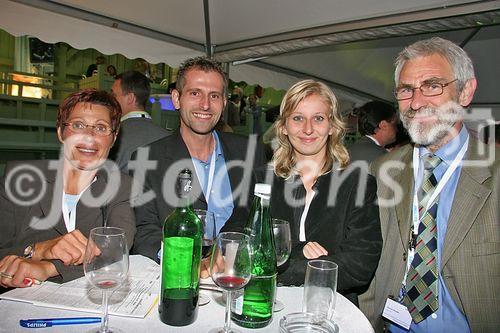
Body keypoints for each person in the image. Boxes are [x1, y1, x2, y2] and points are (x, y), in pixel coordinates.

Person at [359, 37, 499, 332]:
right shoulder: (383, 169)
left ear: (465, 91)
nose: (417, 102)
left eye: (432, 86)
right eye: (406, 90)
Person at [257, 79, 382, 305]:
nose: (307, 129)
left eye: (318, 118)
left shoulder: (358, 184)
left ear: (332, 126)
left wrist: (284, 265)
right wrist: (299, 251)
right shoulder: (261, 180)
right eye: (297, 118)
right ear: (284, 127)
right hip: (267, 304)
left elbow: (359, 264)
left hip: (331, 308)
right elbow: (245, 243)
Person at [131, 56, 265, 262]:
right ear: (177, 99)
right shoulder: (146, 160)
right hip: (179, 273)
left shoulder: (249, 151)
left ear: (224, 103)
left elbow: (257, 216)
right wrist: (185, 261)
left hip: (237, 274)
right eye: (195, 93)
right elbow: (144, 232)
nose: (205, 105)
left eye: (214, 96)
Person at [0, 89, 136, 288]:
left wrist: (48, 268)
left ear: (113, 139)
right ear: (60, 132)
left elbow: (115, 250)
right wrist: (39, 250)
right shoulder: (20, 178)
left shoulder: (121, 187)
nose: (89, 136)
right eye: (78, 125)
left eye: (101, 128)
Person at [109, 71, 170, 172]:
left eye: (114, 95)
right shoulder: (168, 137)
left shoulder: (114, 136)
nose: (110, 100)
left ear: (130, 98)